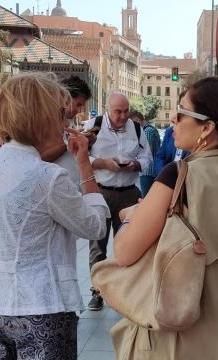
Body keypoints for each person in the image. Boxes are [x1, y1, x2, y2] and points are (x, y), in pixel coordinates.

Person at [110, 76, 218, 359]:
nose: (173, 119)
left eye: (182, 112)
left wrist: (132, 216)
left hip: (173, 342)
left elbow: (124, 252)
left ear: (207, 127)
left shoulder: (179, 177)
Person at [0, 73, 109, 359]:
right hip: (39, 307)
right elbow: (95, 226)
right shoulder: (47, 178)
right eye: (62, 113)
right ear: (44, 117)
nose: (67, 121)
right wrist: (84, 165)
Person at [83, 92, 153, 311]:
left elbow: (148, 160)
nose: (123, 116)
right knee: (98, 244)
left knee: (130, 244)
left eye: (126, 111)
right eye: (117, 112)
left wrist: (136, 165)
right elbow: (78, 155)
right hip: (102, 192)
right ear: (107, 109)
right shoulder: (94, 126)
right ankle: (97, 292)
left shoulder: (138, 129)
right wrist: (103, 163)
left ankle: (127, 292)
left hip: (129, 193)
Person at [40, 75, 93, 183]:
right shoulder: (46, 121)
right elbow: (39, 157)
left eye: (81, 106)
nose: (79, 110)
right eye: (78, 104)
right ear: (65, 97)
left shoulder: (71, 120)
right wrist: (68, 144)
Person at [130, 110, 160, 197]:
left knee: (145, 198)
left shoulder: (147, 131)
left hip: (147, 171)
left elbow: (146, 152)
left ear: (137, 121)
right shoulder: (151, 129)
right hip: (151, 170)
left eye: (133, 124)